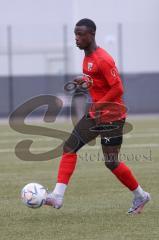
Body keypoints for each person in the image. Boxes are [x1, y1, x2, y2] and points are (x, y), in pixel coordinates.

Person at [45, 18, 150, 214]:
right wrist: (85, 81)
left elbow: (118, 88)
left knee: (111, 162)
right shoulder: (87, 58)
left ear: (91, 34)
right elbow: (97, 82)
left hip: (113, 117)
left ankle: (141, 196)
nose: (76, 38)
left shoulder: (103, 59)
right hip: (96, 114)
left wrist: (99, 105)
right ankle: (57, 196)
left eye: (80, 34)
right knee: (70, 147)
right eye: (75, 34)